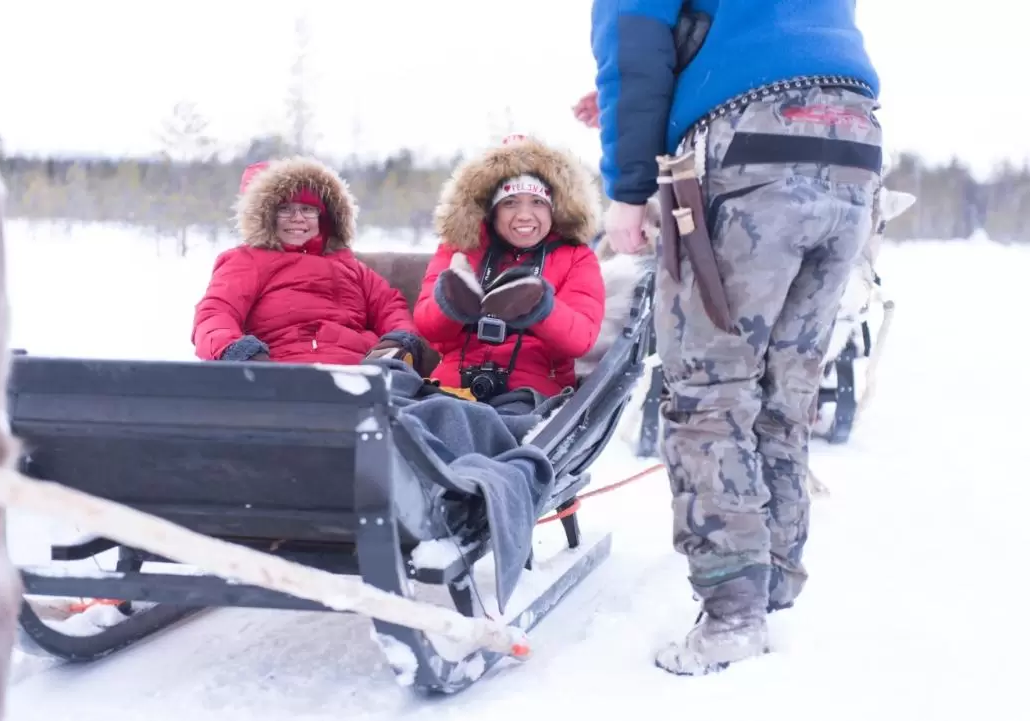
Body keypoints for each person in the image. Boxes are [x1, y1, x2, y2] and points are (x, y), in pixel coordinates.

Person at [582, 0, 884, 675]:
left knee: (707, 393)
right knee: (786, 386)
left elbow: (633, 33)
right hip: (851, 140)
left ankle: (731, 617)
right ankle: (771, 588)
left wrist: (630, 192)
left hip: (751, 147)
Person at [191, 157, 439, 375]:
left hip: (362, 373)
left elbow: (390, 306)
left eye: (308, 209)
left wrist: (400, 341)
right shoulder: (246, 261)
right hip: (283, 371)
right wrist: (238, 352)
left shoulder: (350, 266)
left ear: (323, 217)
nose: (298, 218)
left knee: (442, 411)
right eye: (285, 209)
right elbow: (215, 314)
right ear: (265, 216)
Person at [413, 135, 606, 402]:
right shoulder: (461, 249)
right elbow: (428, 327)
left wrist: (538, 307)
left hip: (532, 392)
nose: (525, 215)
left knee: (480, 425)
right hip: (451, 386)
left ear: (556, 209)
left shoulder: (576, 257)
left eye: (538, 202)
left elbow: (581, 339)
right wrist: (452, 305)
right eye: (510, 202)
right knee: (415, 410)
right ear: (492, 210)